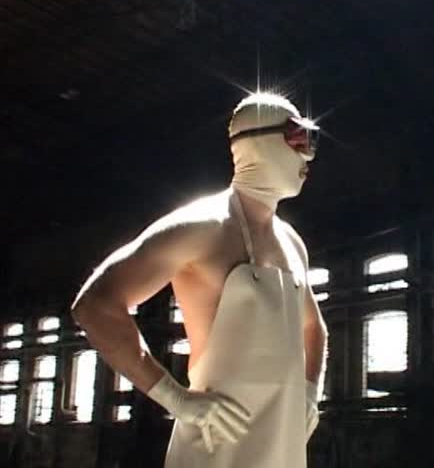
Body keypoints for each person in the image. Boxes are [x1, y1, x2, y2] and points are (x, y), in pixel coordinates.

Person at [71, 92, 328, 467]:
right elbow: (95, 306)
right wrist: (175, 398)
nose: (308, 156)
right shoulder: (200, 228)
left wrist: (309, 391)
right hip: (213, 448)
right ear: (257, 143)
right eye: (298, 139)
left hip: (282, 449)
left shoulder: (292, 243)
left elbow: (313, 328)